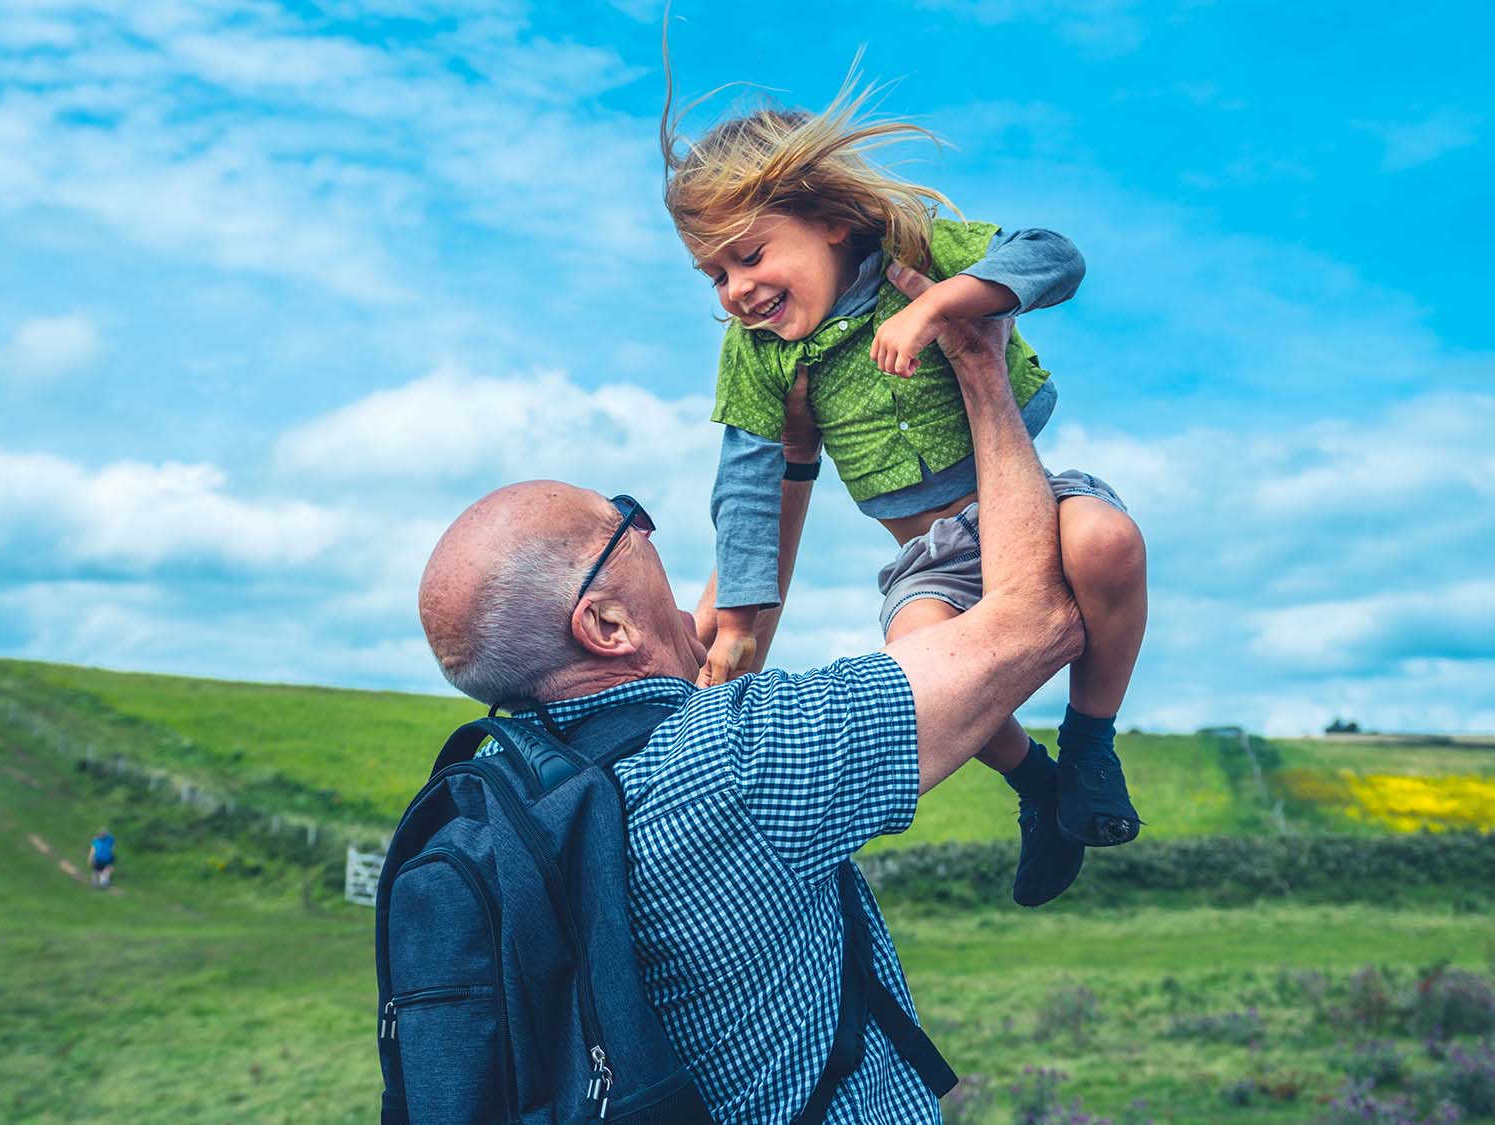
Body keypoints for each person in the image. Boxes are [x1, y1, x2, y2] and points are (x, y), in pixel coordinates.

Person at [416, 277, 1083, 1122]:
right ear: (607, 624)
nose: (650, 533)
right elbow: (1035, 623)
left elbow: (732, 634)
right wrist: (983, 361)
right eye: (625, 523)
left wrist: (793, 455)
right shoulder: (739, 762)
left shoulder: (536, 792)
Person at [663, 72, 1148, 906]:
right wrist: (737, 626)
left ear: (832, 222)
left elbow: (1052, 254)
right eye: (714, 275)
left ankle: (1091, 743)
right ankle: (1039, 784)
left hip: (1030, 500)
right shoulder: (760, 354)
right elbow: (747, 485)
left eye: (748, 255)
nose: (735, 289)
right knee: (917, 670)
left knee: (1107, 539)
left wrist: (941, 308)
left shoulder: (915, 257)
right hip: (929, 557)